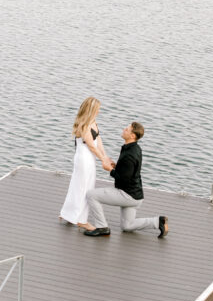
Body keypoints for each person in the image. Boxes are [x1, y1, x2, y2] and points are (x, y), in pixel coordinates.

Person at [83, 121, 168, 239]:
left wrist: (110, 170)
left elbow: (124, 179)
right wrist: (117, 166)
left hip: (127, 195)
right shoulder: (134, 148)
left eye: (127, 129)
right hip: (135, 196)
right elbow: (129, 171)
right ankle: (158, 222)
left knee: (91, 195)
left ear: (132, 136)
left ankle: (102, 227)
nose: (124, 129)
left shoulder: (130, 154)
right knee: (127, 226)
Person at [59, 97, 113, 228]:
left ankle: (68, 214)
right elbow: (91, 146)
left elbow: (98, 140)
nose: (99, 111)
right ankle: (81, 220)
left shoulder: (93, 122)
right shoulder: (84, 124)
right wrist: (103, 160)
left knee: (80, 185)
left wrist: (105, 156)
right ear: (92, 109)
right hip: (84, 158)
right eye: (97, 109)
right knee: (83, 187)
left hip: (90, 158)